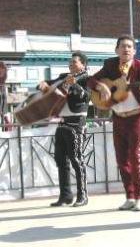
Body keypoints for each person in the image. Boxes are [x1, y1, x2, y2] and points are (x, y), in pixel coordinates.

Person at [87, 35, 140, 211]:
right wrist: (101, 87)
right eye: (123, 46)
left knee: (135, 156)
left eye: (129, 47)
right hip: (118, 116)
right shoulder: (110, 65)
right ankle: (130, 196)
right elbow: (90, 80)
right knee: (121, 159)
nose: (126, 49)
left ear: (134, 51)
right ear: (116, 50)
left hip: (137, 117)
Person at [38, 52, 90, 207]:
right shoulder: (63, 76)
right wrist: (42, 84)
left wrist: (73, 84)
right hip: (61, 123)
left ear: (83, 64)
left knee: (77, 160)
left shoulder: (88, 79)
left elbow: (86, 96)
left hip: (76, 123)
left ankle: (83, 196)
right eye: (70, 62)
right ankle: (66, 196)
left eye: (74, 62)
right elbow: (48, 83)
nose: (71, 64)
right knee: (60, 160)